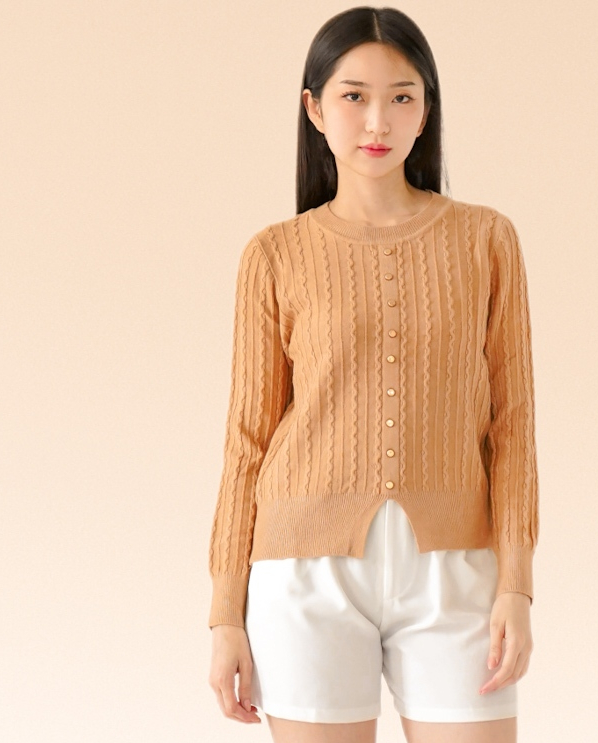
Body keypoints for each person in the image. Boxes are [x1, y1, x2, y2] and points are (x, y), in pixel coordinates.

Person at [207, 7, 539, 743]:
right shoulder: (274, 254)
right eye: (353, 95)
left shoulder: (486, 239)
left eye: (401, 96)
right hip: (303, 574)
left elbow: (512, 425)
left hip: (457, 569)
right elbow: (247, 439)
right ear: (314, 109)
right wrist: (226, 613)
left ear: (426, 109)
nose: (377, 121)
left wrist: (516, 585)